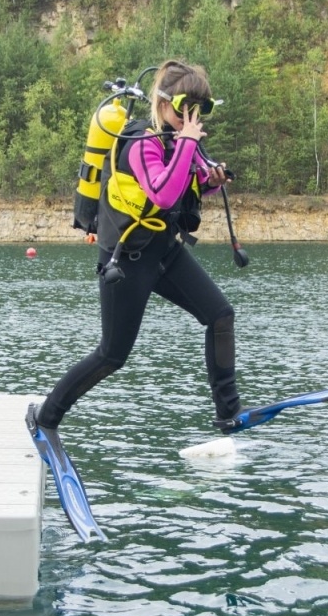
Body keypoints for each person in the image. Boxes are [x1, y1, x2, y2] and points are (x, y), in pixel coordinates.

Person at [32, 59, 240, 437]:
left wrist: (210, 180)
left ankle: (229, 413)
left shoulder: (180, 144)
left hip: (164, 251)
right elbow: (161, 193)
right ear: (163, 105)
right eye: (184, 109)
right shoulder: (141, 144)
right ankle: (45, 417)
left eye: (200, 110)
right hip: (127, 261)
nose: (191, 118)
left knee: (220, 316)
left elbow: (184, 190)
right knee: (112, 354)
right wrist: (189, 144)